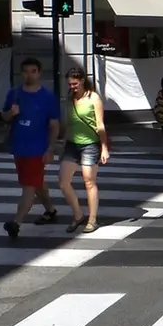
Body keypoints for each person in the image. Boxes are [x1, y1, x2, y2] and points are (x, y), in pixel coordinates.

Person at [1, 58, 61, 239]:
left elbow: (54, 125)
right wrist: (11, 113)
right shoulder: (14, 93)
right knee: (37, 183)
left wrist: (51, 148)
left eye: (33, 71)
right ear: (21, 73)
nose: (29, 75)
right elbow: (4, 117)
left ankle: (16, 223)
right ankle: (50, 210)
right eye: (25, 71)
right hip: (19, 147)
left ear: (39, 73)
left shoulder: (48, 97)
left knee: (28, 186)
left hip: (37, 149)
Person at [59, 67, 109, 234]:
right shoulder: (69, 98)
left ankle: (92, 219)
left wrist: (104, 147)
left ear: (82, 80)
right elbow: (69, 123)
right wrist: (63, 142)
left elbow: (100, 125)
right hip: (72, 144)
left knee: (89, 181)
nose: (72, 87)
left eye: (74, 83)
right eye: (69, 84)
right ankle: (78, 215)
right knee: (63, 183)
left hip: (90, 144)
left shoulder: (93, 98)